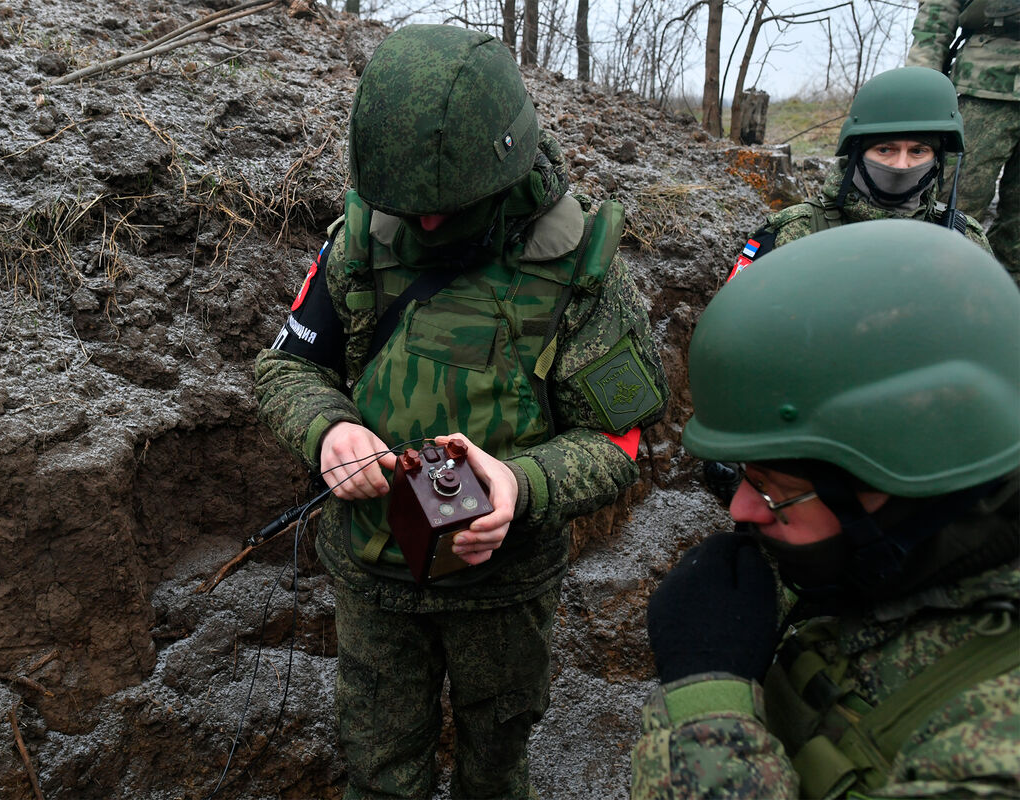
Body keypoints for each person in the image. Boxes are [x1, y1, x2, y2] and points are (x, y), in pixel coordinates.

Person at [255, 24, 668, 799]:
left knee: (497, 769)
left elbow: (619, 440)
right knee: (379, 771)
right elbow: (285, 366)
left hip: (503, 592)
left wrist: (520, 485)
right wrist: (328, 429)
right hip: (374, 581)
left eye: (450, 207)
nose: (429, 224)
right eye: (412, 208)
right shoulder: (361, 241)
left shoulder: (577, 270)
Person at [631, 219, 1020, 799]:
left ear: (906, 484)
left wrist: (706, 704)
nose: (740, 509)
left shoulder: (994, 750)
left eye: (771, 489)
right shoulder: (914, 548)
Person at [727, 66, 992, 281]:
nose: (901, 165)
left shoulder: (963, 239)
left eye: (918, 151)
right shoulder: (797, 232)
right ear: (857, 156)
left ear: (937, 161)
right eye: (885, 149)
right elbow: (737, 323)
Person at [908, 0, 1019, 278]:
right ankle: (927, 291)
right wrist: (922, 84)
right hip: (985, 81)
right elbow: (937, 11)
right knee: (953, 208)